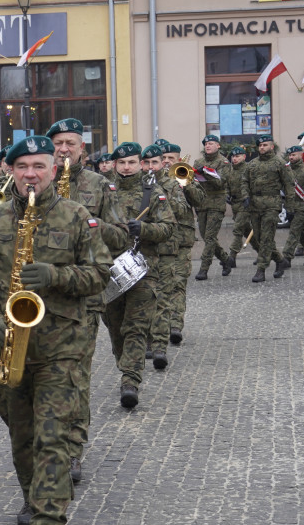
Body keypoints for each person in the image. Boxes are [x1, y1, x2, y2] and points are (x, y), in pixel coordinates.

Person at [0, 135, 111, 525]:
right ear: (10, 171)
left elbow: (101, 273)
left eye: (39, 166)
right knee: (22, 435)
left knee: (52, 436)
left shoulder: (78, 216)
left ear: (53, 169)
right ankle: (33, 495)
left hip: (63, 346)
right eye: (22, 167)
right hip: (11, 345)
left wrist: (56, 276)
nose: (31, 174)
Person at [46, 118, 125, 486]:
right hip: (38, 299)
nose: (64, 149)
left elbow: (122, 238)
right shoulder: (35, 181)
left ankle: (73, 450)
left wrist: (91, 223)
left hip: (83, 299)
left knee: (75, 378)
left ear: (83, 149)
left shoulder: (100, 185)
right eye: (58, 142)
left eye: (71, 143)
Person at [103, 142, 174, 409]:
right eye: (121, 163)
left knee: (136, 327)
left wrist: (143, 229)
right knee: (115, 327)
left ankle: (130, 381)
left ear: (141, 164)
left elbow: (169, 228)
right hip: (109, 272)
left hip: (144, 271)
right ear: (114, 165)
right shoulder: (104, 191)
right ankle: (126, 365)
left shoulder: (152, 192)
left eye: (132, 162)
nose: (127, 167)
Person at [157, 143, 205, 349]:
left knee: (178, 283)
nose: (167, 161)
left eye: (171, 158)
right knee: (159, 286)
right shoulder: (152, 179)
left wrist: (186, 183)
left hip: (181, 240)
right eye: (164, 158)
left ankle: (175, 326)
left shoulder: (185, 176)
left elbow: (201, 201)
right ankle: (158, 325)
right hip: (157, 240)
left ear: (179, 159)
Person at [240, 135, 294, 282]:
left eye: (265, 145)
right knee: (260, 238)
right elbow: (244, 181)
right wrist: (245, 196)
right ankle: (280, 260)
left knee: (266, 238)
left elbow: (289, 185)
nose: (262, 147)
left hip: (272, 204)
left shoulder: (279, 163)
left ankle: (261, 269)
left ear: (271, 146)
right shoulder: (252, 164)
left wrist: (289, 207)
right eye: (260, 145)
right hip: (255, 205)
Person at [192, 135, 232, 280]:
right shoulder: (198, 161)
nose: (207, 146)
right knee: (205, 236)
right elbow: (194, 183)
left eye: (210, 143)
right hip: (202, 202)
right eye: (205, 144)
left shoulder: (224, 162)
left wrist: (207, 174)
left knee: (209, 237)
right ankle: (226, 260)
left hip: (216, 203)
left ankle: (204, 269)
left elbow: (221, 182)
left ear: (218, 145)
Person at [223, 146, 256, 274]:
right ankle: (262, 253)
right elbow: (226, 185)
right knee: (246, 230)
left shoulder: (249, 169)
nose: (234, 159)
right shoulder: (230, 171)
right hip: (235, 204)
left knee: (237, 229)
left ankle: (232, 257)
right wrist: (227, 194)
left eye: (237, 156)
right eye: (233, 156)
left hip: (246, 204)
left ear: (244, 157)